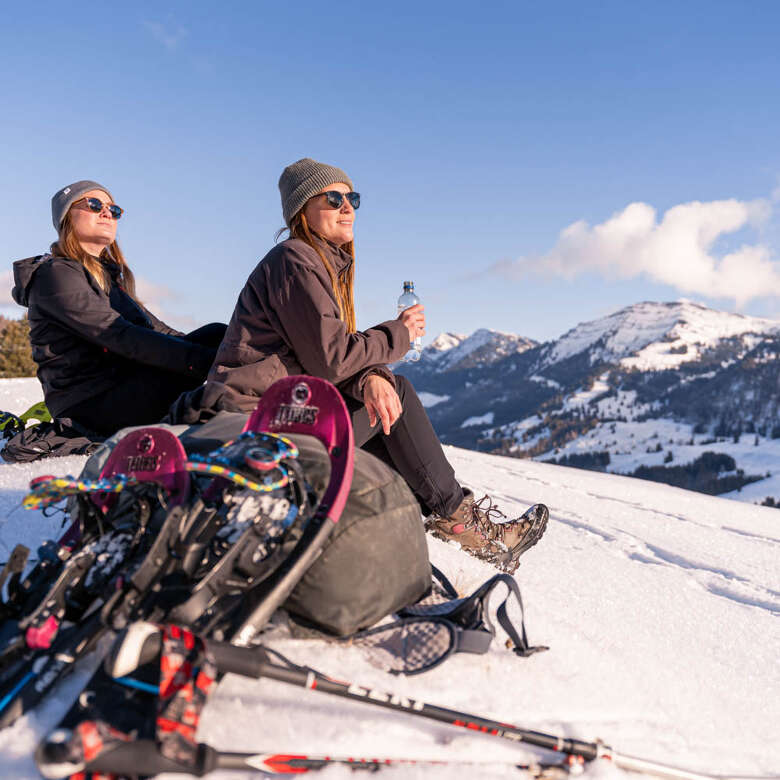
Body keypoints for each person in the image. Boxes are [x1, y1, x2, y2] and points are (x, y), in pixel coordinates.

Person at [200, 158, 546, 572]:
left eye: (353, 198)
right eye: (334, 198)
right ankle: (460, 522)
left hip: (277, 415)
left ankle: (446, 520)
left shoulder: (315, 265)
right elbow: (333, 359)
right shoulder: (295, 260)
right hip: (256, 424)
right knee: (395, 396)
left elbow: (325, 357)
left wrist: (372, 375)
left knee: (386, 397)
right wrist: (397, 335)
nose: (347, 207)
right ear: (302, 209)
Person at [11, 180, 226, 436]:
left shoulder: (108, 277)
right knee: (214, 361)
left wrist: (224, 353)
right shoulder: (56, 274)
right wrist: (204, 362)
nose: (106, 213)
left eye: (113, 210)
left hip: (123, 386)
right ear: (67, 217)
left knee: (218, 334)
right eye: (94, 205)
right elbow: (117, 334)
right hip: (89, 404)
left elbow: (158, 331)